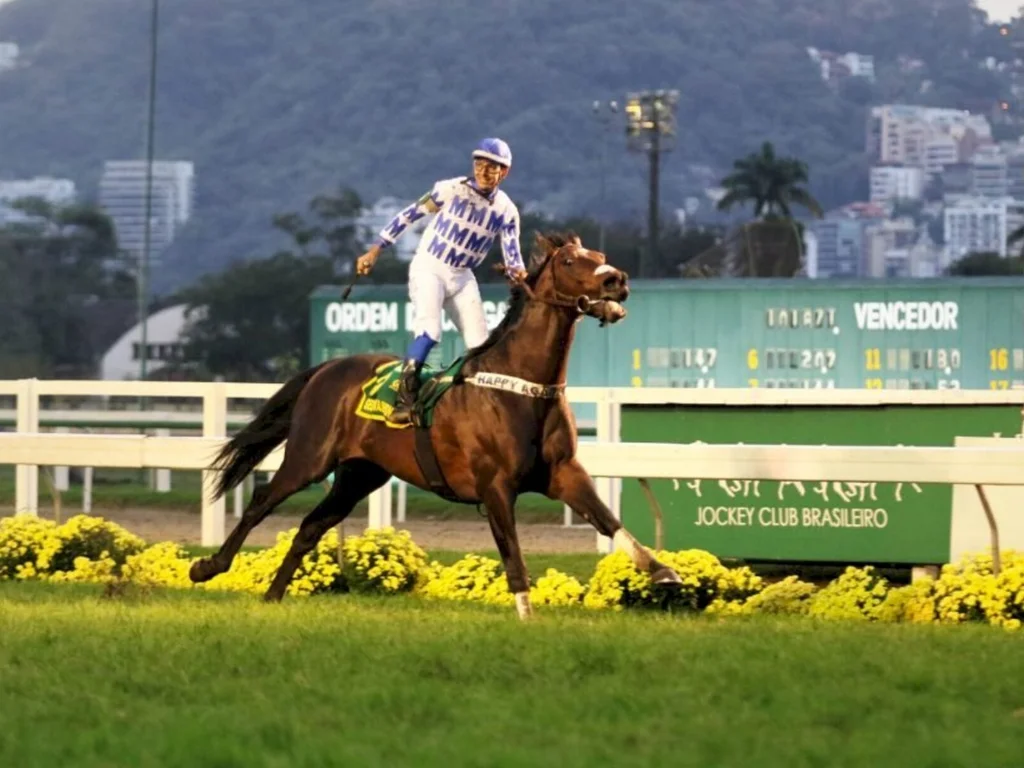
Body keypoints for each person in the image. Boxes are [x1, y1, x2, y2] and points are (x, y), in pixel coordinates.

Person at [355, 138, 529, 425]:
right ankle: (404, 399)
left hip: (462, 277)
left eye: (492, 167)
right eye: (480, 164)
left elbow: (513, 257)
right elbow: (409, 215)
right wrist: (376, 250)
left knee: (481, 345)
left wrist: (522, 278)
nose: (484, 171)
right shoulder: (449, 189)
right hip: (430, 267)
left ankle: (477, 406)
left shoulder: (506, 211)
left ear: (504, 173)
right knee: (430, 330)